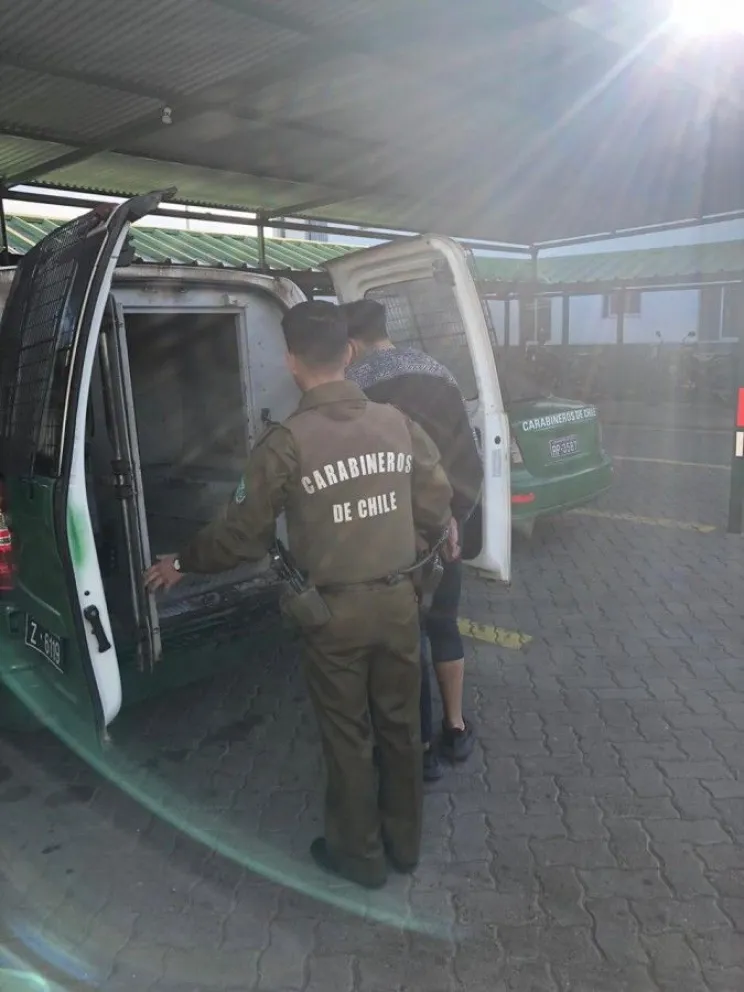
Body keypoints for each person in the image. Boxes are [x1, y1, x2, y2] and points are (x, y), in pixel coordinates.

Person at [144, 301, 454, 890]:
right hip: (399, 604)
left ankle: (360, 859)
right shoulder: (397, 422)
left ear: (291, 362)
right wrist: (411, 536)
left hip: (331, 616)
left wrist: (181, 562)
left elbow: (241, 535)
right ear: (349, 353)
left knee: (348, 736)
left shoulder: (285, 443)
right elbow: (436, 501)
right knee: (399, 728)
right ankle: (406, 846)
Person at [344, 299, 483, 781]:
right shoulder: (438, 372)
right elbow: (467, 456)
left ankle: (421, 752)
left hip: (386, 537)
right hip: (443, 530)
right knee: (444, 625)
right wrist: (455, 518)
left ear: (350, 345)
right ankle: (455, 728)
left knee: (404, 641)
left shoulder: (352, 387)